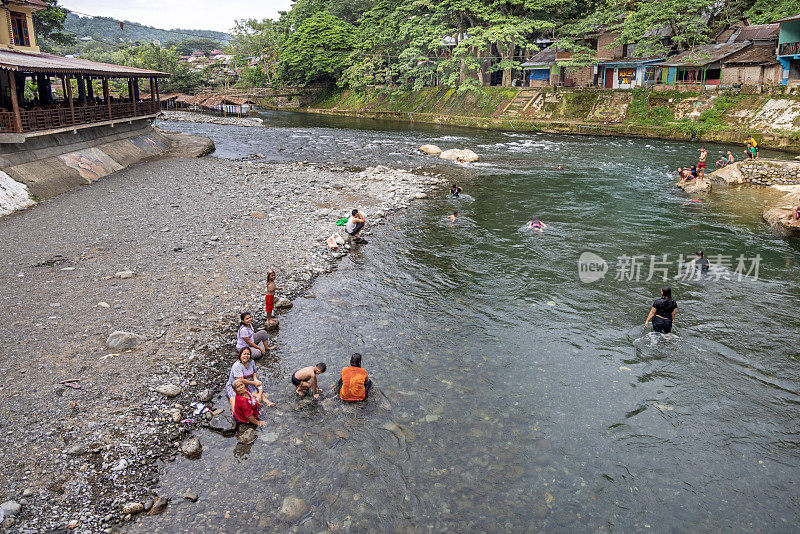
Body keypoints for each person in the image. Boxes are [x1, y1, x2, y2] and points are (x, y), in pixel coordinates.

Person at [225, 347, 275, 412]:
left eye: (248, 354)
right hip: (235, 385)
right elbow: (241, 380)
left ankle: (267, 402)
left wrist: (255, 380)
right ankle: (235, 413)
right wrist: (254, 383)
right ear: (240, 355)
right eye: (244, 354)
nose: (246, 356)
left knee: (255, 393)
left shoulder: (252, 362)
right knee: (235, 398)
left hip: (248, 382)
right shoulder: (237, 365)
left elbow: (254, 372)